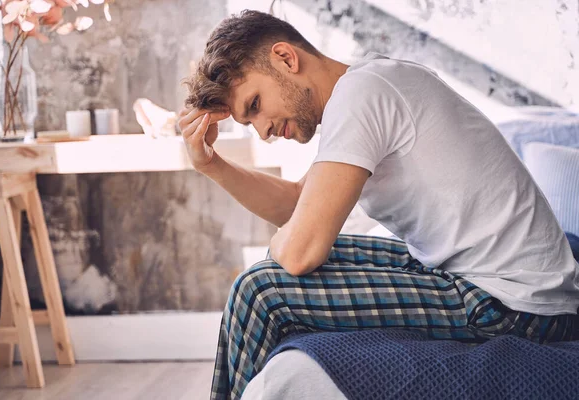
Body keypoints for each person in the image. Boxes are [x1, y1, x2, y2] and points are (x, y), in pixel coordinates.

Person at [158, 10, 579, 400]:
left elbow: (301, 250)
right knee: (270, 273)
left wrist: (288, 247)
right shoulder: (365, 89)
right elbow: (295, 206)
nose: (264, 131)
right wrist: (212, 166)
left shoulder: (364, 94)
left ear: (286, 58)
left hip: (517, 306)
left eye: (255, 105)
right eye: (249, 123)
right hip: (488, 280)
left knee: (262, 289)